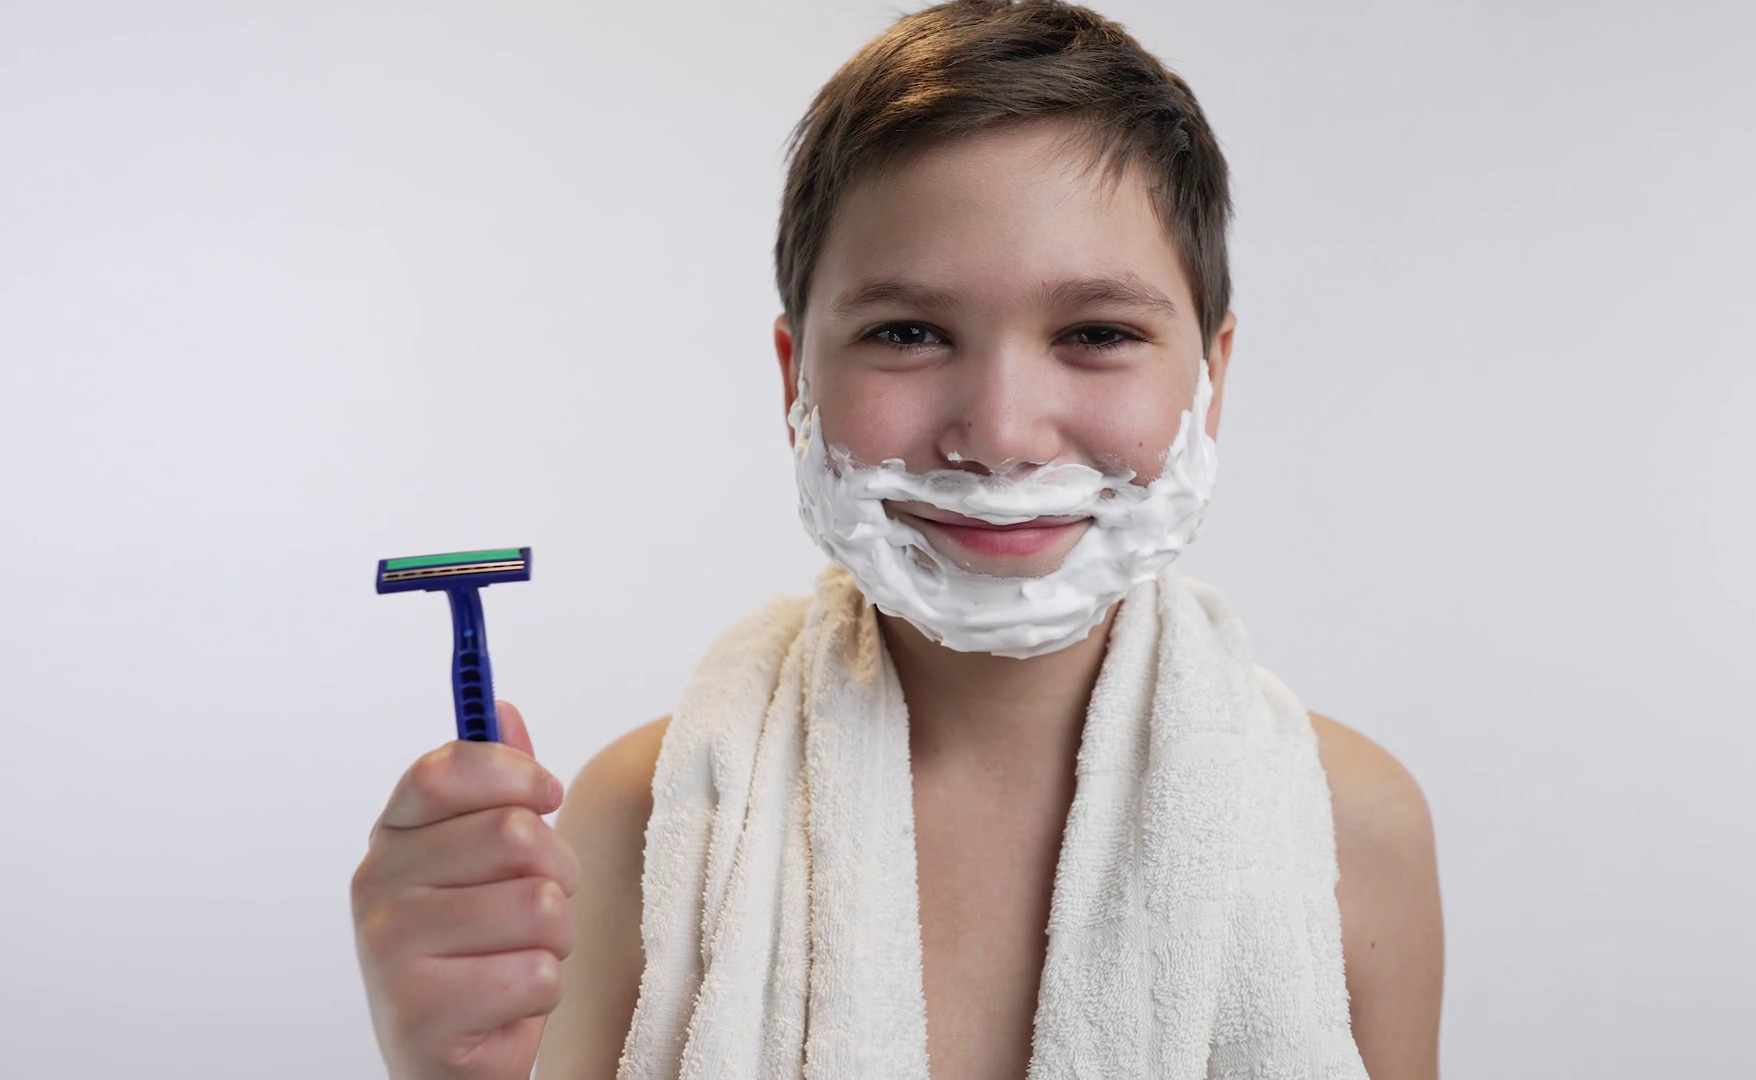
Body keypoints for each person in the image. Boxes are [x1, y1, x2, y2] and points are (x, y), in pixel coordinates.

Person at [350, 2, 1444, 1078]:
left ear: (1213, 377)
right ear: (797, 380)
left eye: (1097, 332)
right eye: (909, 332)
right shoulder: (642, 820)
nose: (1002, 437)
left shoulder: (1350, 830)